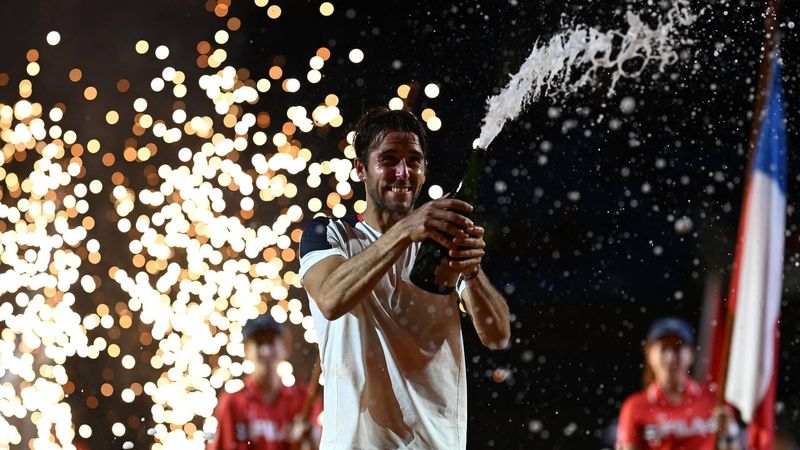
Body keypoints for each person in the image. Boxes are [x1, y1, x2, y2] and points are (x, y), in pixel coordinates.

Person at [298, 107, 511, 449]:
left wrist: (472, 271)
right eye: (389, 159)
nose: (403, 172)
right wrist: (403, 233)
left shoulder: (437, 244)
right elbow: (330, 298)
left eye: (414, 160)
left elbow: (497, 335)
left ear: (425, 170)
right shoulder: (331, 233)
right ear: (360, 169)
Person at [616, 317, 741, 450]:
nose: (670, 358)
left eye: (677, 348)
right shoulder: (635, 406)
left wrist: (729, 433)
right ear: (649, 354)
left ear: (692, 354)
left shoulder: (714, 399)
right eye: (664, 349)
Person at [208, 313, 320, 450]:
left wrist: (312, 441)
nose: (266, 351)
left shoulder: (304, 399)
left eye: (271, 342)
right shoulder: (233, 403)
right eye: (259, 343)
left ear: (285, 348)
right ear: (246, 350)